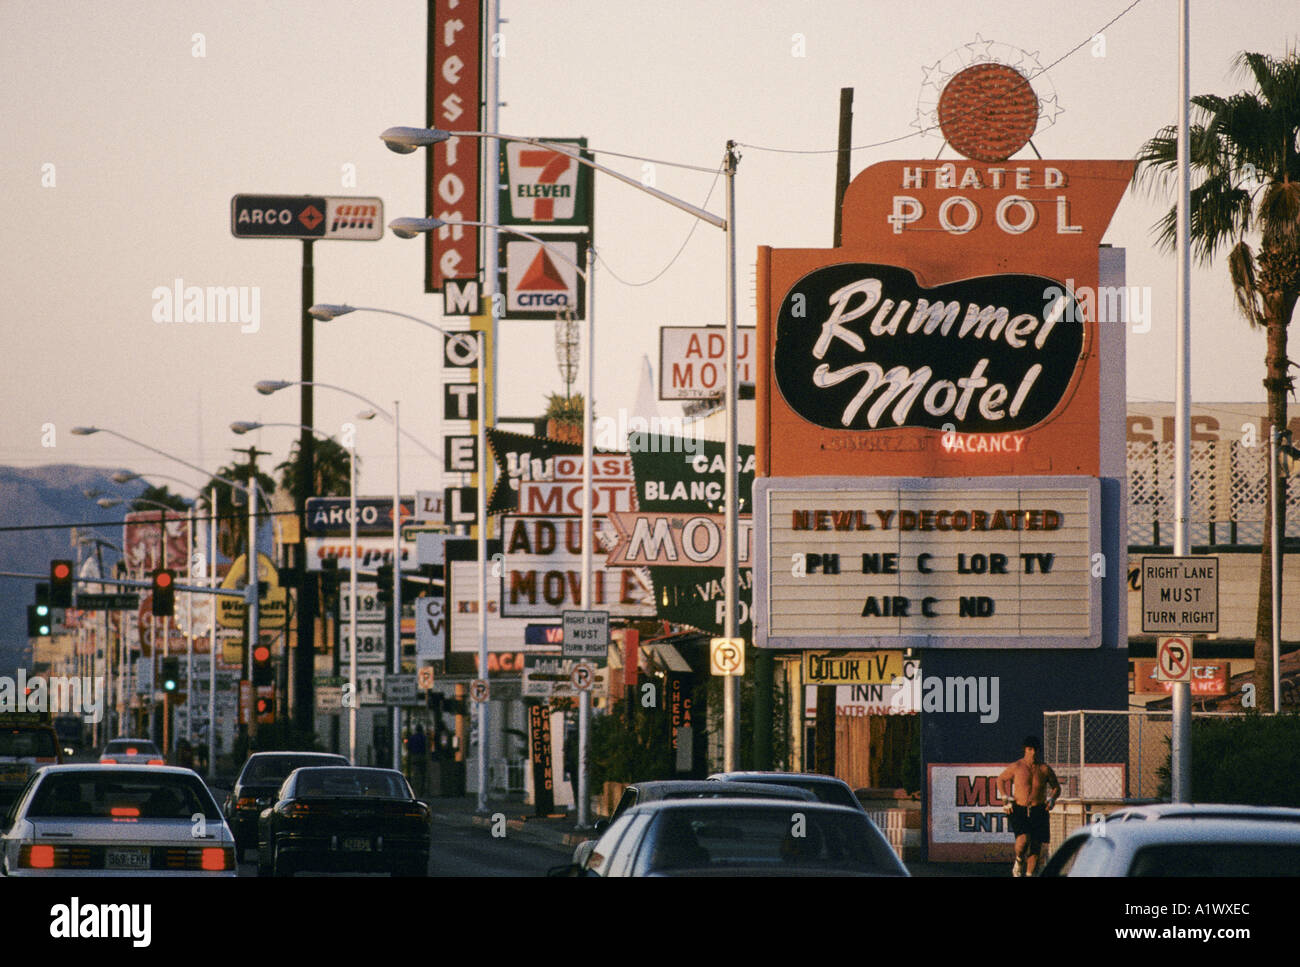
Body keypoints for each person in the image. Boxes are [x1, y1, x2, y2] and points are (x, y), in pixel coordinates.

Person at [998, 736, 1061, 877]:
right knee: (1023, 840)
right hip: (1019, 808)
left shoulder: (1044, 769)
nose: (1033, 753)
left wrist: (1052, 799)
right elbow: (1001, 779)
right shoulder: (1017, 766)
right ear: (1025, 750)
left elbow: (1056, 787)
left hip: (1039, 809)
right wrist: (1005, 798)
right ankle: (1019, 860)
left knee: (1036, 847)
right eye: (1029, 749)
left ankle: (1029, 874)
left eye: (1035, 750)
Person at [407, 723, 428, 796]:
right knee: (423, 774)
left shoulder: (412, 737)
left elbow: (408, 747)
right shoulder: (424, 737)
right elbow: (426, 747)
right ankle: (422, 790)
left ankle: (415, 790)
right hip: (422, 756)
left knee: (415, 774)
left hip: (414, 757)